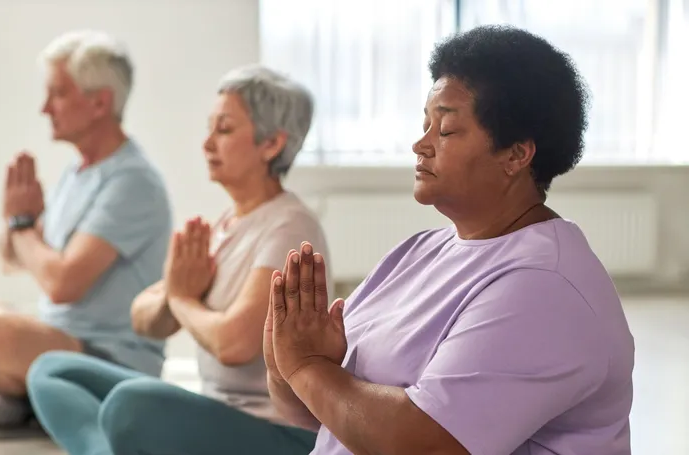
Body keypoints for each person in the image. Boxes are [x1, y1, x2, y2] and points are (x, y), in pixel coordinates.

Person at [265, 25, 635, 455]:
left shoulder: (544, 285)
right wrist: (286, 363)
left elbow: (423, 444)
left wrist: (307, 365)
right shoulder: (418, 251)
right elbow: (325, 412)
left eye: (446, 130)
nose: (420, 145)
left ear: (516, 154)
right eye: (425, 124)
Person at [26, 64, 331, 455]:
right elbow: (144, 320)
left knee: (132, 404)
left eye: (223, 130)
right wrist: (177, 291)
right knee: (51, 368)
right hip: (219, 414)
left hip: (274, 432)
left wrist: (184, 299)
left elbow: (234, 344)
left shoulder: (289, 227)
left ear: (271, 144)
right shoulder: (222, 226)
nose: (206, 144)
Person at [0, 30, 172, 431]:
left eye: (58, 94)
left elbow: (63, 283)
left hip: (108, 361)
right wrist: (17, 223)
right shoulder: (78, 171)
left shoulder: (132, 181)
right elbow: (13, 260)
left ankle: (2, 394)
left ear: (99, 102)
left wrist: (22, 224)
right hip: (56, 335)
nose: (45, 108)